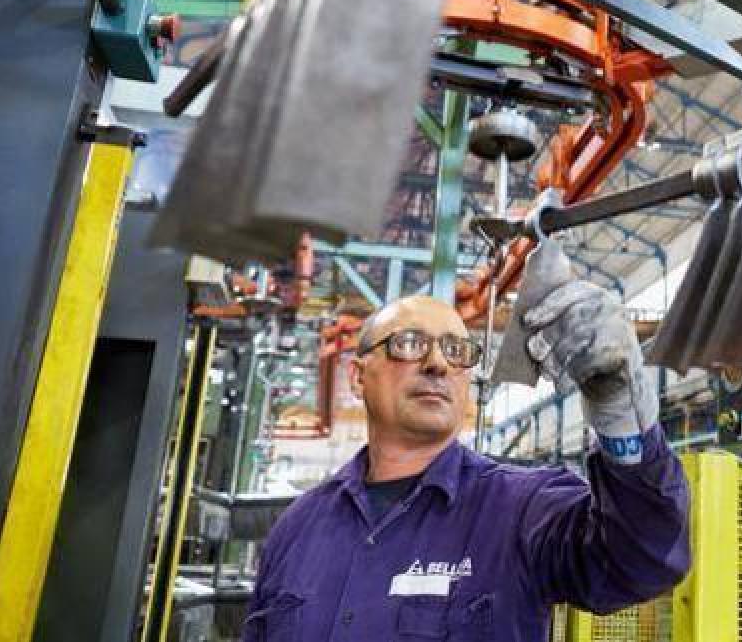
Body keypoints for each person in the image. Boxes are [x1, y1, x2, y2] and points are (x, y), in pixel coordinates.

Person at [242, 249, 690, 641]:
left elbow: (642, 560)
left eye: (456, 350)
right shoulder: (296, 529)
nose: (438, 363)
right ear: (358, 376)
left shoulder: (521, 508)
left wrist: (620, 415)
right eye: (409, 343)